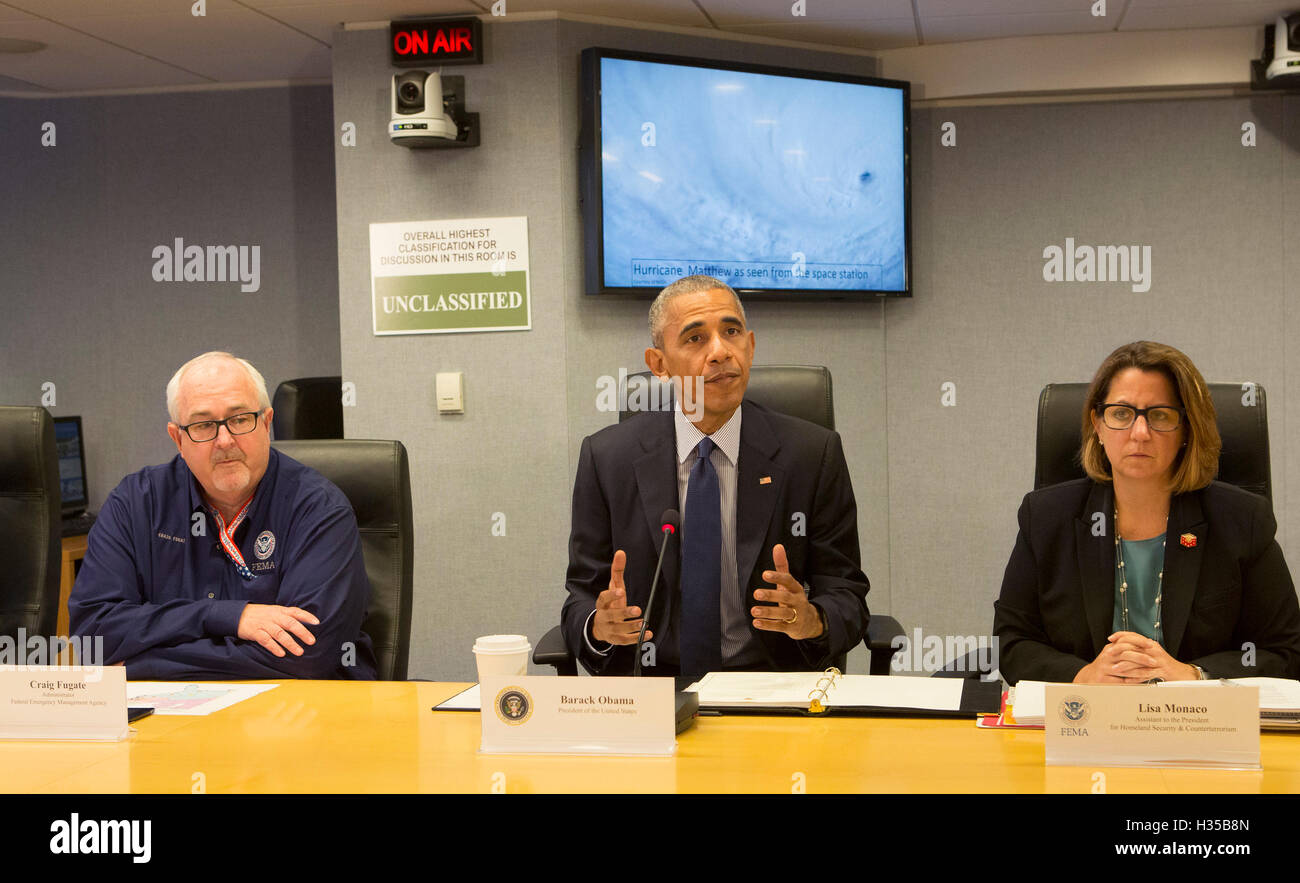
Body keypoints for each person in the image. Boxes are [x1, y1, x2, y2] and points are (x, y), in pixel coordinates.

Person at [561, 275, 870, 678]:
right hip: (652, 686)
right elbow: (580, 600)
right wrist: (599, 627)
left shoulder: (812, 454)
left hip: (769, 683)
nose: (721, 352)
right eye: (695, 339)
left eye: (731, 332)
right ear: (659, 365)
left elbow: (848, 595)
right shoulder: (607, 458)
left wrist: (813, 619)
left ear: (751, 346)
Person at [994, 341, 1300, 684]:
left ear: (1186, 429)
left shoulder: (1243, 521)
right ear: (1098, 424)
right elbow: (1011, 641)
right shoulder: (1045, 517)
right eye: (1122, 413)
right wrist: (1084, 676)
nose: (1140, 434)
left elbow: (1285, 650)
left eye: (1160, 415)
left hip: (1199, 725)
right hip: (1084, 720)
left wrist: (1194, 675)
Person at [70, 351, 377, 679]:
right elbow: (92, 637)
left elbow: (306, 655)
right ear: (178, 438)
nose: (225, 440)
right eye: (203, 425)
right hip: (169, 718)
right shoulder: (135, 504)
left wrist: (140, 665)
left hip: (299, 715)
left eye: (240, 419)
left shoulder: (319, 509)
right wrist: (227, 617)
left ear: (267, 423)